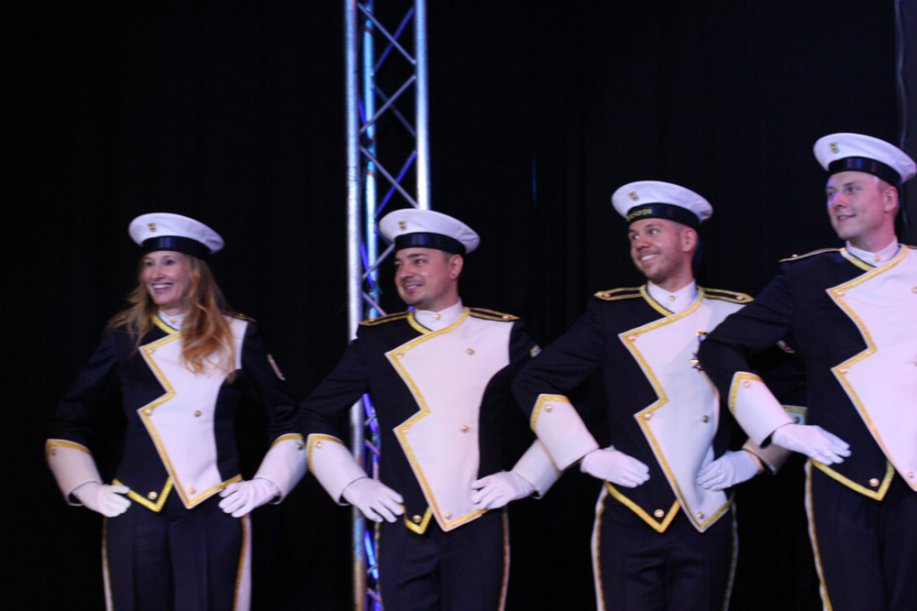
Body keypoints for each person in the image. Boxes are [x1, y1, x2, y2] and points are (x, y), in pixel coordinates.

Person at [512, 181, 791, 611]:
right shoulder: (611, 314)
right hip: (631, 510)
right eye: (633, 236)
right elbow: (536, 379)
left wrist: (757, 457)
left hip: (707, 510)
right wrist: (584, 455)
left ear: (687, 239)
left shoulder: (733, 312)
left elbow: (794, 386)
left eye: (652, 231)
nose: (640, 243)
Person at [697, 133, 917, 610]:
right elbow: (720, 348)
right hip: (846, 477)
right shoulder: (806, 279)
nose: (837, 202)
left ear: (889, 198)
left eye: (851, 189)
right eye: (830, 193)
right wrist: (777, 428)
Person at [300, 208, 558, 610]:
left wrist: (526, 476)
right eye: (400, 264)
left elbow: (560, 411)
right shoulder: (377, 340)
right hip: (405, 522)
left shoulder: (502, 333)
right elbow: (314, 413)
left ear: (454, 266)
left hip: (478, 519)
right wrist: (350, 482)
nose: (406, 272)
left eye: (419, 261)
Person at [46, 213, 306, 611]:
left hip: (212, 506)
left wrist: (268, 483)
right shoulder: (124, 337)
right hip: (137, 508)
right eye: (149, 263)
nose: (156, 273)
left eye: (169, 262)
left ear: (195, 272)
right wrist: (85, 486)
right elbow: (69, 419)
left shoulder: (237, 334)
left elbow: (288, 419)